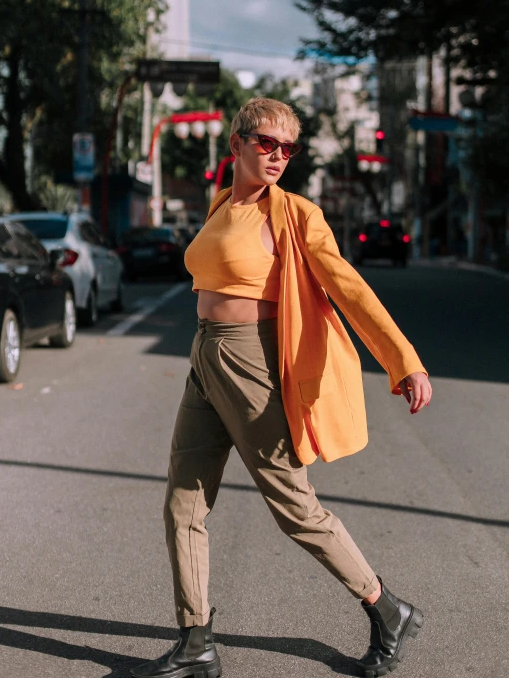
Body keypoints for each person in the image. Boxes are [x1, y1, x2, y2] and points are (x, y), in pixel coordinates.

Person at [131, 98, 432, 678]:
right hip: (205, 353)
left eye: (287, 148)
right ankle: (196, 642)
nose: (276, 156)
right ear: (238, 144)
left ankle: (387, 608)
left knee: (293, 505)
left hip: (251, 361)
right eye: (266, 143)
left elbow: (349, 287)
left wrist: (403, 361)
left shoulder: (294, 215)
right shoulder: (222, 203)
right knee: (182, 502)